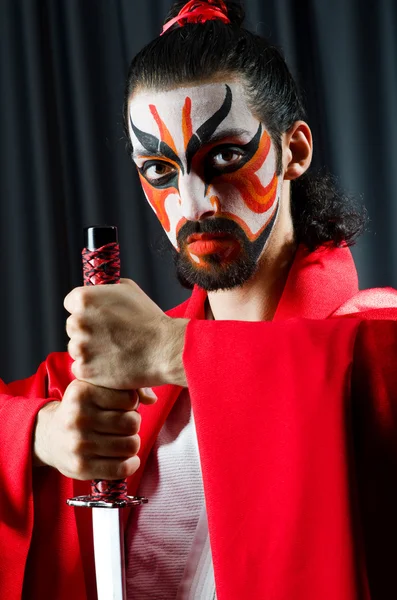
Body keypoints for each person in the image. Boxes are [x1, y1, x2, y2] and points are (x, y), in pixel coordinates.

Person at [1, 1, 397, 599]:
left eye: (227, 156)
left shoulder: (370, 342)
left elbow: (369, 370)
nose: (193, 203)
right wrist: (41, 434)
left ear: (295, 150)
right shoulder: (117, 393)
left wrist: (170, 349)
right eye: (160, 169)